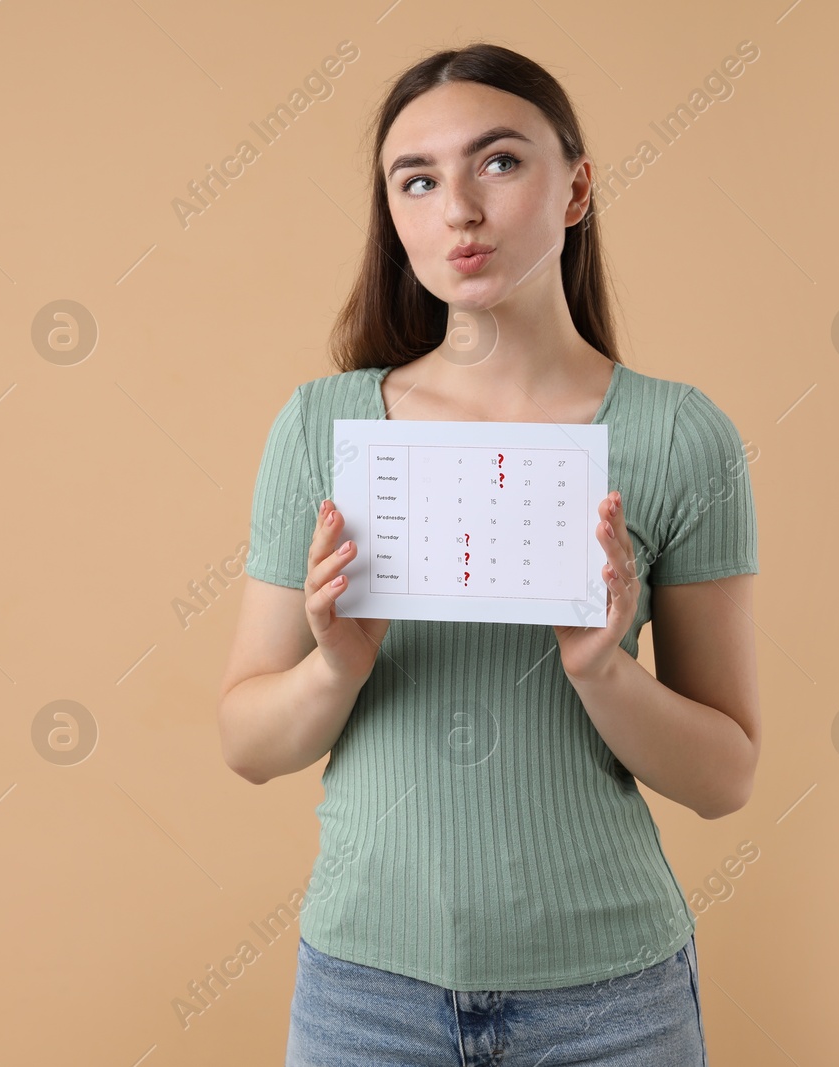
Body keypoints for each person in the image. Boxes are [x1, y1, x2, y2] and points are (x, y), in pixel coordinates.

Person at [217, 42, 759, 1067]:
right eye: (415, 180)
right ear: (394, 218)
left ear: (576, 187)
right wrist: (335, 663)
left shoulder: (680, 437)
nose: (456, 207)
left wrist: (602, 669)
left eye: (497, 162)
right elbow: (248, 742)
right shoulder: (321, 428)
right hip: (366, 995)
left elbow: (724, 773)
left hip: (609, 1002)